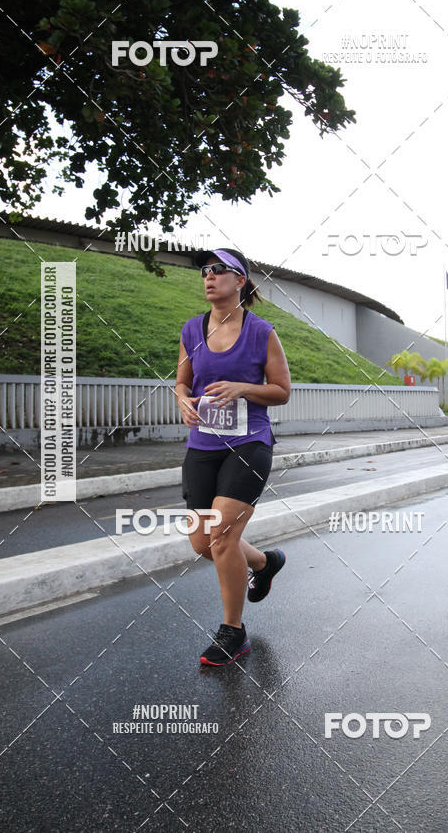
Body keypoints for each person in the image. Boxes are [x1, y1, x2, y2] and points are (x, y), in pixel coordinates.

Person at [175, 247, 291, 665]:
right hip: (202, 446)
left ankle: (233, 632)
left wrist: (242, 388)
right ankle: (264, 561)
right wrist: (183, 401)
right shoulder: (192, 329)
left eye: (219, 270)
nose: (209, 277)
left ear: (239, 280)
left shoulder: (261, 332)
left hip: (249, 444)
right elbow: (182, 382)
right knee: (201, 543)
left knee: (223, 538)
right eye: (205, 271)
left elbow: (281, 390)